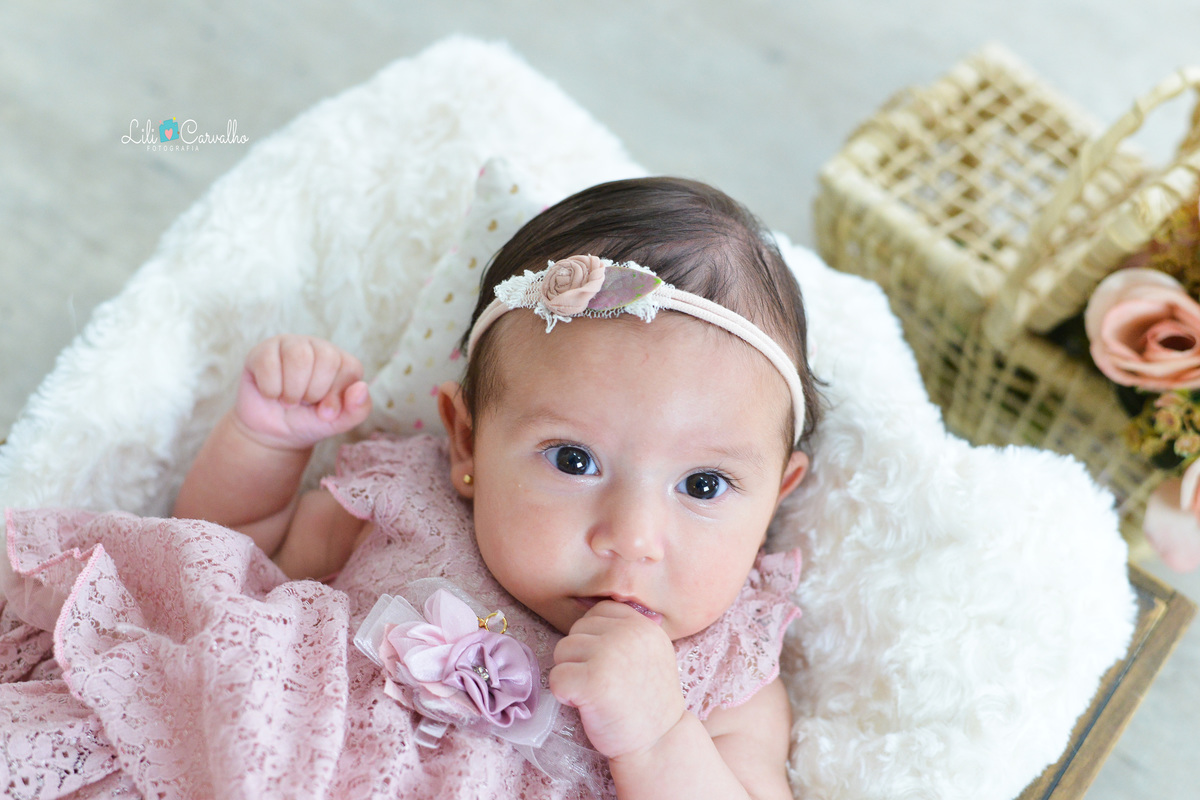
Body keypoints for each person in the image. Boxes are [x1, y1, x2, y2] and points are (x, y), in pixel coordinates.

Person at [2, 177, 821, 799]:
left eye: (705, 484)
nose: (632, 534)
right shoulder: (409, 501)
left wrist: (657, 734)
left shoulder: (727, 667)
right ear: (466, 441)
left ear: (777, 494)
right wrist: (264, 441)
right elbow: (220, 563)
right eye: (573, 461)